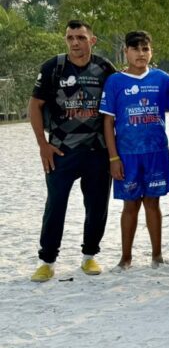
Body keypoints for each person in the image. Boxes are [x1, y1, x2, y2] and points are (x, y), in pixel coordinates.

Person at [29, 19, 117, 281]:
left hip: (97, 151)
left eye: (80, 37)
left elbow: (123, 93)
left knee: (96, 206)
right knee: (55, 205)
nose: (75, 43)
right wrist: (43, 146)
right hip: (60, 151)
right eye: (70, 38)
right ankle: (47, 260)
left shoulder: (104, 68)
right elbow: (34, 106)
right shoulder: (53, 67)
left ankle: (89, 256)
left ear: (92, 40)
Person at [100, 30, 169, 269]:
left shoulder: (161, 78)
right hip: (127, 154)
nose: (141, 53)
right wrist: (113, 157)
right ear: (126, 52)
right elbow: (108, 122)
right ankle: (126, 258)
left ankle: (157, 256)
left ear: (151, 51)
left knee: (153, 204)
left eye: (145, 49)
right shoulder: (115, 81)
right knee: (130, 204)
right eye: (135, 49)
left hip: (156, 153)